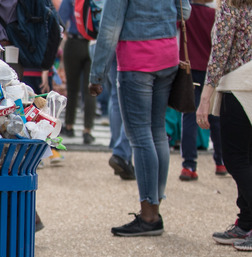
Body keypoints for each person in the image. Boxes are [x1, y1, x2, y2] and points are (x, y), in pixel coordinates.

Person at [89, 0, 191, 237]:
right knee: (157, 132)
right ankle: (154, 209)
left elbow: (110, 26)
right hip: (167, 54)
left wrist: (97, 75)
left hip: (137, 58)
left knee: (140, 135)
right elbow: (185, 11)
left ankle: (148, 216)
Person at [196, 0, 252, 250]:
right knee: (247, 158)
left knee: (236, 158)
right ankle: (246, 221)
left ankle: (248, 221)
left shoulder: (231, 7)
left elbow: (219, 54)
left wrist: (205, 98)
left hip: (239, 86)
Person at [178, 0, 224, 181]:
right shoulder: (214, 15)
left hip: (188, 68)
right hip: (210, 70)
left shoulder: (185, 15)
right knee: (215, 116)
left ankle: (189, 164)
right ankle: (220, 160)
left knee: (189, 116)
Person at [59, 0, 96, 145]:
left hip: (74, 43)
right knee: (90, 89)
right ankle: (88, 130)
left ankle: (69, 125)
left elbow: (61, 19)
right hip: (93, 43)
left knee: (72, 88)